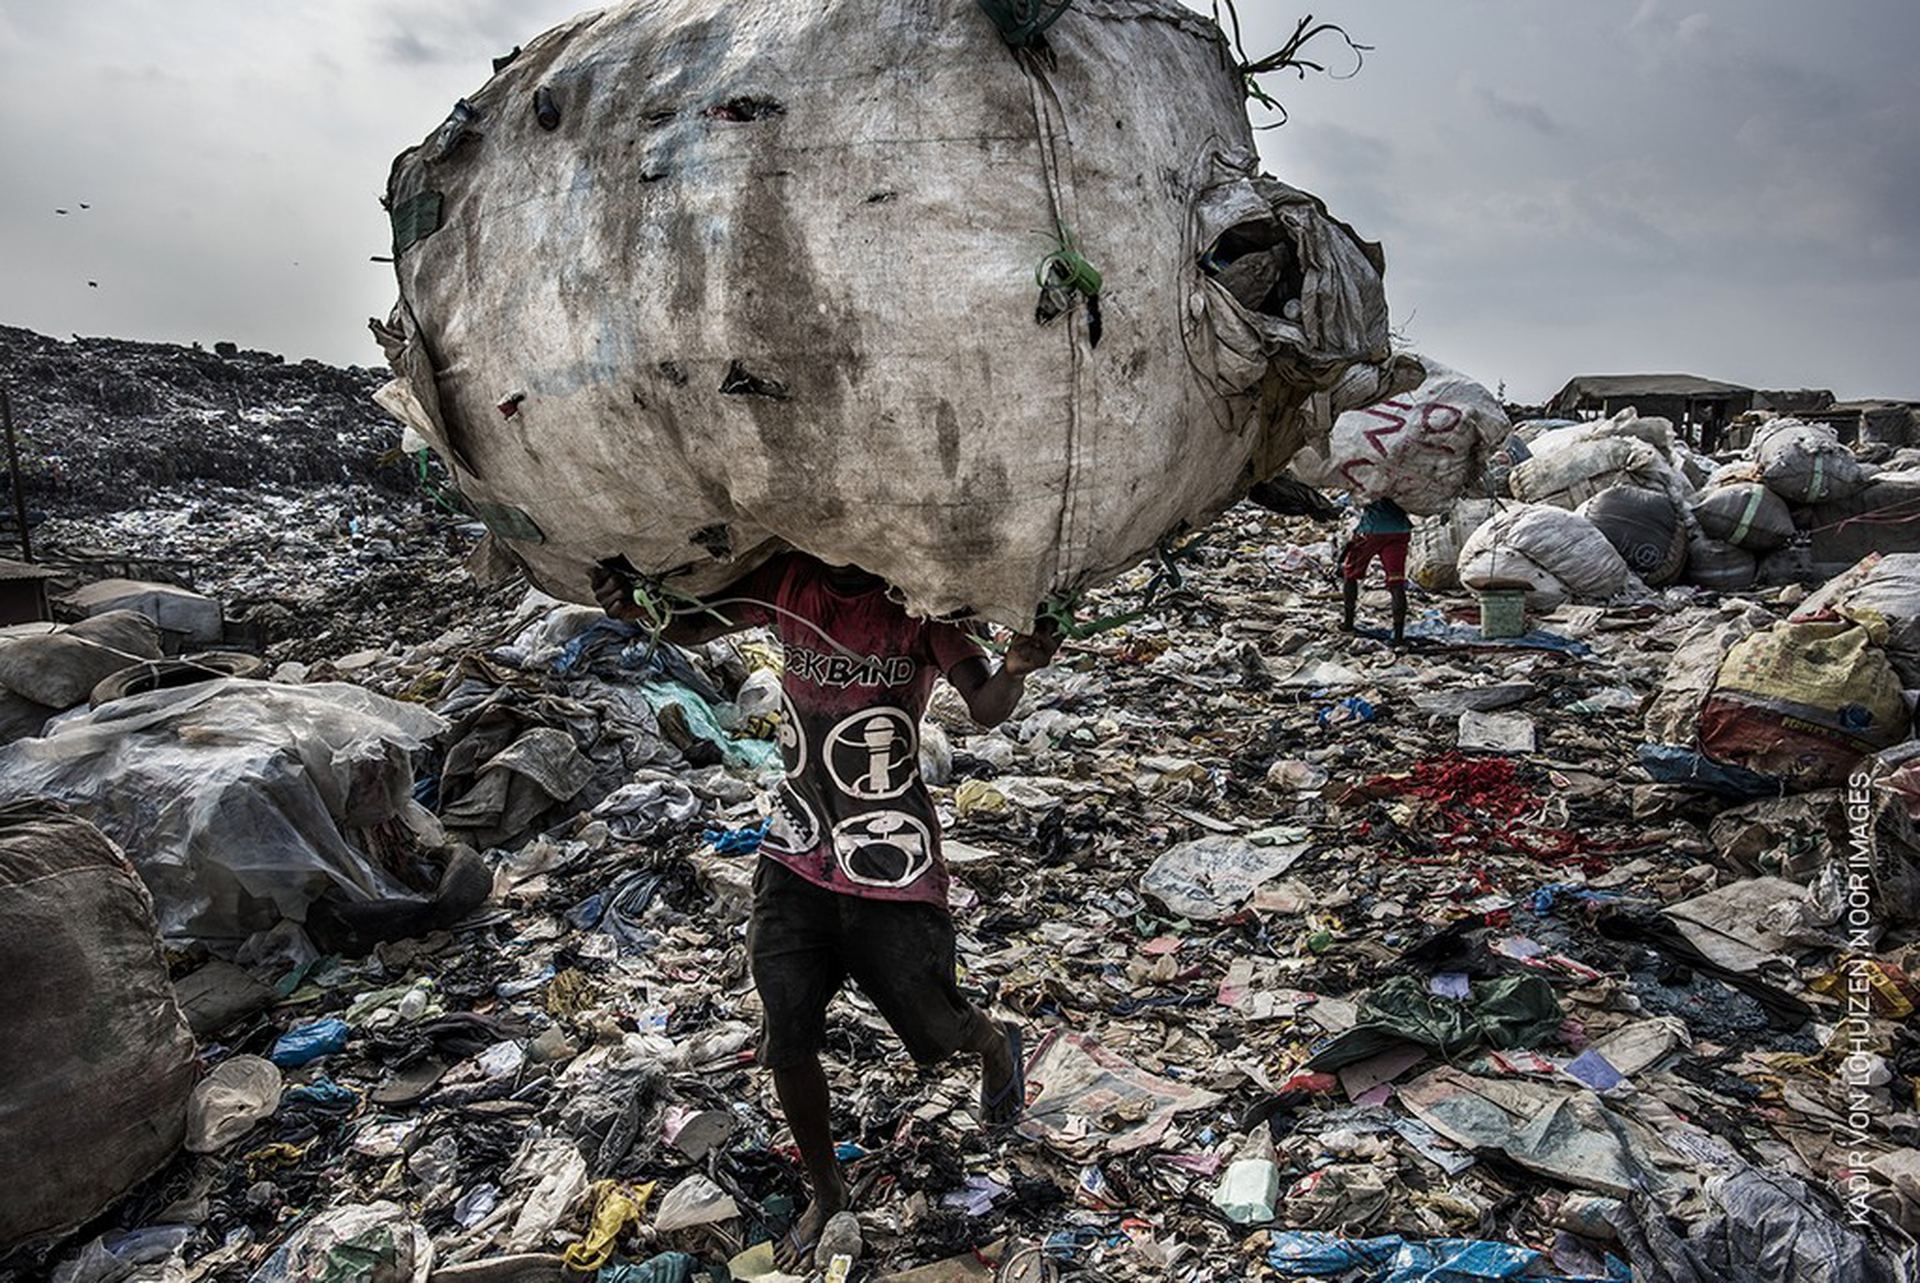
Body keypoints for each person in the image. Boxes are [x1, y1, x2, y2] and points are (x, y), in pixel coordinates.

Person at [592, 552, 1060, 1262]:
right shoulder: (789, 579)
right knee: (787, 1028)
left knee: (932, 1023)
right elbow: (699, 622)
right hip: (797, 847)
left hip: (889, 854)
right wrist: (638, 606)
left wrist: (1017, 668)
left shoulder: (922, 603)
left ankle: (993, 1043)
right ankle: (828, 1188)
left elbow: (985, 705)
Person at [1340, 497, 1411, 644]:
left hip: (1371, 531)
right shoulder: (1403, 484)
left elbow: (1354, 498)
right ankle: (1398, 636)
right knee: (1396, 582)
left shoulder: (1371, 483)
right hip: (1400, 530)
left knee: (1350, 574)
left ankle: (1348, 623)